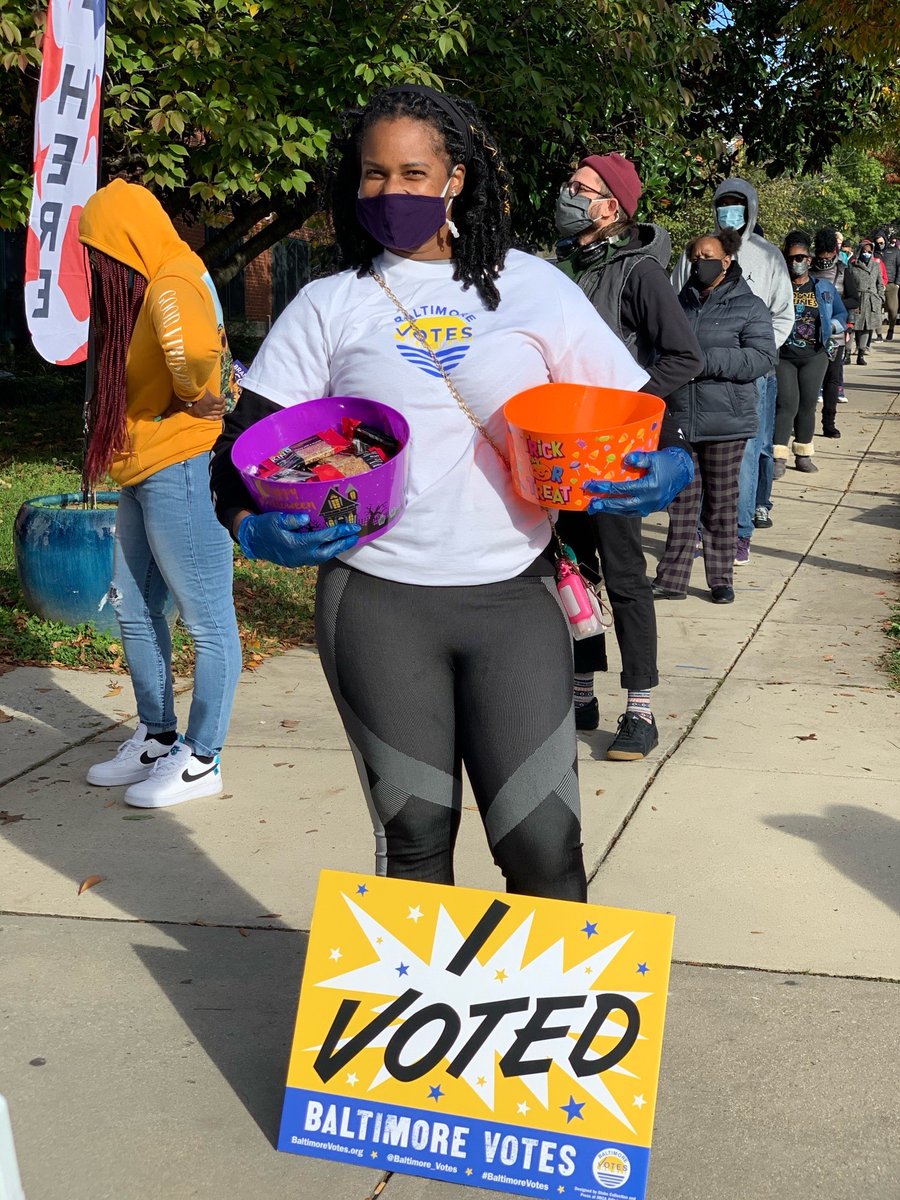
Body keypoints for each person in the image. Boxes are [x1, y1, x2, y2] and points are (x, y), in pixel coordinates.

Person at [209, 85, 693, 901]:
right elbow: (235, 455)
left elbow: (649, 412)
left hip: (516, 596)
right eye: (372, 175)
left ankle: (542, 1027)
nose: (391, 193)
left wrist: (668, 466)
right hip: (376, 603)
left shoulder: (535, 287)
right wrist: (248, 526)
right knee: (416, 839)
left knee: (544, 845)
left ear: (456, 178)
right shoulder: (330, 305)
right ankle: (419, 1026)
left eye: (412, 172)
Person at [80, 180, 242, 808]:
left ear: (122, 240)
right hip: (139, 465)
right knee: (132, 605)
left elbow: (195, 349)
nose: (95, 266)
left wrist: (195, 389)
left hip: (177, 462)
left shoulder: (172, 278)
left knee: (205, 616)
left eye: (99, 253)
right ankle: (156, 736)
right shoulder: (152, 281)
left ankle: (203, 759)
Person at [553, 152, 703, 756]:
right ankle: (581, 694)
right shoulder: (563, 268)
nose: (567, 195)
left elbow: (684, 357)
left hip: (615, 451)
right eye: (569, 184)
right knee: (573, 573)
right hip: (562, 445)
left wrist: (628, 407)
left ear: (610, 207)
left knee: (623, 577)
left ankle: (640, 709)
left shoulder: (640, 273)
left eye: (580, 188)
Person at [672, 178, 793, 561]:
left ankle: (738, 533)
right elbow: (674, 307)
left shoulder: (769, 256)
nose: (729, 212)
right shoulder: (695, 253)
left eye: (736, 205)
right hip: (691, 381)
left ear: (750, 208)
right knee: (687, 462)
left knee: (739, 463)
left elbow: (782, 314)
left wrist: (755, 356)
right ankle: (690, 532)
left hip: (746, 378)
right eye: (722, 204)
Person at [654, 230, 776, 603]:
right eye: (695, 256)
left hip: (726, 420)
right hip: (681, 417)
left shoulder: (749, 305)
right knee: (682, 502)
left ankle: (720, 579)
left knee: (721, 503)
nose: (699, 263)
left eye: (707, 256)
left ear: (727, 260)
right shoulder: (679, 303)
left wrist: (704, 362)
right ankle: (671, 580)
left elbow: (762, 358)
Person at [772, 231, 847, 477]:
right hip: (784, 356)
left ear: (809, 258)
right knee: (786, 404)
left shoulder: (822, 287)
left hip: (815, 355)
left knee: (807, 405)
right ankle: (778, 457)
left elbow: (841, 314)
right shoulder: (777, 286)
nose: (797, 262)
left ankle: (803, 454)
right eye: (792, 258)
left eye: (801, 257)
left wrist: (832, 327)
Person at [810, 229, 858, 439]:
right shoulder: (808, 270)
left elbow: (854, 299)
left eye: (829, 255)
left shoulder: (844, 271)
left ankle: (829, 422)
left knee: (832, 379)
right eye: (822, 255)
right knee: (810, 381)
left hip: (835, 335)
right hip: (808, 333)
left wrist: (830, 304)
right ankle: (803, 421)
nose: (825, 260)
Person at [845, 238, 884, 365]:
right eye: (864, 251)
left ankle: (861, 354)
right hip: (857, 298)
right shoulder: (852, 265)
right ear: (860, 251)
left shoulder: (876, 266)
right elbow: (848, 284)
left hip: (871, 300)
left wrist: (880, 297)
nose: (866, 253)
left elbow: (880, 283)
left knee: (866, 328)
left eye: (869, 251)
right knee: (852, 327)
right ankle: (847, 354)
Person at [873, 232, 900, 340]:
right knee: (876, 310)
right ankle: (879, 334)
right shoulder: (874, 253)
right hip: (876, 286)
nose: (880, 245)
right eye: (877, 243)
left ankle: (891, 329)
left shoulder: (895, 252)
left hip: (891, 284)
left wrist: (897, 283)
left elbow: (899, 267)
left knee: (893, 309)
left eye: (881, 242)